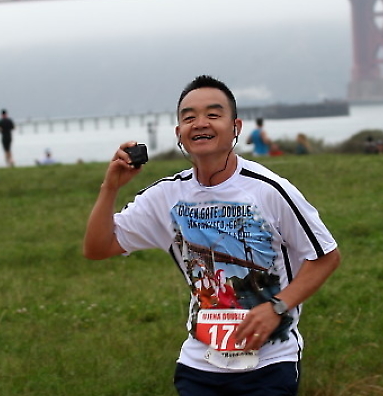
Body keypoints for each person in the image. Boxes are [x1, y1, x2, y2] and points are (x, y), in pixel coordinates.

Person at [84, 75, 340, 396]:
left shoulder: (269, 190)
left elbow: (326, 256)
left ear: (235, 127)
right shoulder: (166, 196)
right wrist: (110, 187)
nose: (200, 123)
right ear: (179, 132)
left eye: (213, 114)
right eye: (189, 117)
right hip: (199, 365)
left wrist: (277, 307)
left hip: (270, 363)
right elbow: (98, 247)